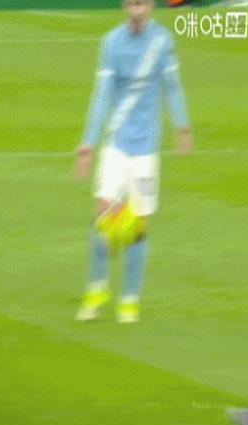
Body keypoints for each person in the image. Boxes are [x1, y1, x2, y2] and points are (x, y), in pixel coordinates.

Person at [75, 0, 192, 324]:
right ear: (125, 6)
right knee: (103, 215)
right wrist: (88, 142)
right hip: (115, 144)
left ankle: (129, 298)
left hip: (145, 151)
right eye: (132, 4)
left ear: (150, 6)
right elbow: (101, 94)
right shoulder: (111, 42)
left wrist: (182, 126)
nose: (137, 10)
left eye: (142, 3)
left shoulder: (162, 41)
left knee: (137, 225)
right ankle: (97, 288)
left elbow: (172, 87)